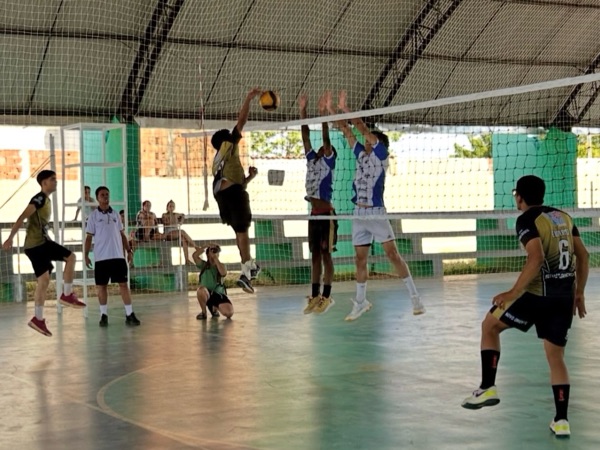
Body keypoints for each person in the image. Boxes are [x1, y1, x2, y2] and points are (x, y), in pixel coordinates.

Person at [461, 175, 588, 437]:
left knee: (490, 325)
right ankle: (561, 421)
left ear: (519, 197)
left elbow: (536, 257)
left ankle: (488, 387)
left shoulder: (527, 219)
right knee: (556, 358)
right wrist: (579, 293)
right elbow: (583, 255)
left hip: (535, 296)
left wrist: (512, 293)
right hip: (563, 298)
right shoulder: (564, 217)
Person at [329, 91, 425, 321]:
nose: (365, 141)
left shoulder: (381, 156)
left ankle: (415, 298)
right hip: (359, 213)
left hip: (376, 213)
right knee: (359, 259)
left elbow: (361, 128)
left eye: (370, 139)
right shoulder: (361, 156)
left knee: (392, 255)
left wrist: (345, 108)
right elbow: (347, 131)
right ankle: (361, 301)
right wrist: (332, 111)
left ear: (378, 143)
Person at [1, 170, 85, 336]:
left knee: (44, 280)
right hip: (39, 244)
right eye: (52, 179)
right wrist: (10, 238)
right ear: (44, 183)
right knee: (71, 257)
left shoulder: (45, 199)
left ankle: (37, 319)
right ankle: (67, 294)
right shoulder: (39, 198)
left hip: (34, 246)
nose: (56, 181)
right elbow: (22, 217)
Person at [211, 87, 262, 294]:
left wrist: (250, 177)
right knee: (243, 232)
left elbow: (232, 183)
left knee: (239, 232)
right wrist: (249, 98)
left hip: (222, 196)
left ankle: (250, 268)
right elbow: (242, 120)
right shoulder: (230, 145)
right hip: (233, 196)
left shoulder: (219, 160)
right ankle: (247, 272)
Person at [299, 91, 337, 315]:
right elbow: (305, 137)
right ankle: (314, 295)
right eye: (322, 148)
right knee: (315, 255)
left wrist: (323, 115)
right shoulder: (312, 160)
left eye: (326, 148)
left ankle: (327, 296)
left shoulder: (329, 162)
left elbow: (326, 140)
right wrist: (303, 111)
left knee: (326, 254)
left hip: (326, 214)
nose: (323, 148)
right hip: (314, 214)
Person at [84, 187, 141, 327]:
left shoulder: (115, 214)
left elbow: (122, 234)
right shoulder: (93, 216)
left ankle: (129, 314)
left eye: (107, 194)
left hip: (117, 256)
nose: (105, 197)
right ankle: (103, 315)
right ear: (97, 198)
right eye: (102, 195)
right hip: (101, 258)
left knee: (123, 285)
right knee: (101, 286)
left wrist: (128, 250)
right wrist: (85, 255)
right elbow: (88, 237)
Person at [192, 244, 233, 320]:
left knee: (229, 313)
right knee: (200, 290)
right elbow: (194, 256)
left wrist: (215, 258)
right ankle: (204, 312)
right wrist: (206, 246)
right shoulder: (203, 265)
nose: (214, 253)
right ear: (207, 254)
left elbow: (223, 273)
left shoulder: (221, 265)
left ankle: (214, 309)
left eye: (216, 251)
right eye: (212, 251)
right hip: (206, 294)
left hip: (219, 294)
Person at [162, 200, 199, 264]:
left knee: (184, 240)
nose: (171, 208)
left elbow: (183, 215)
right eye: (170, 206)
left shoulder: (176, 214)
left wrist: (181, 221)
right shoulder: (164, 215)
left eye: (173, 206)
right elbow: (166, 222)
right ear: (167, 207)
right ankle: (195, 247)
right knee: (182, 231)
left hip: (176, 233)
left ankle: (187, 260)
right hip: (168, 234)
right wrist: (174, 220)